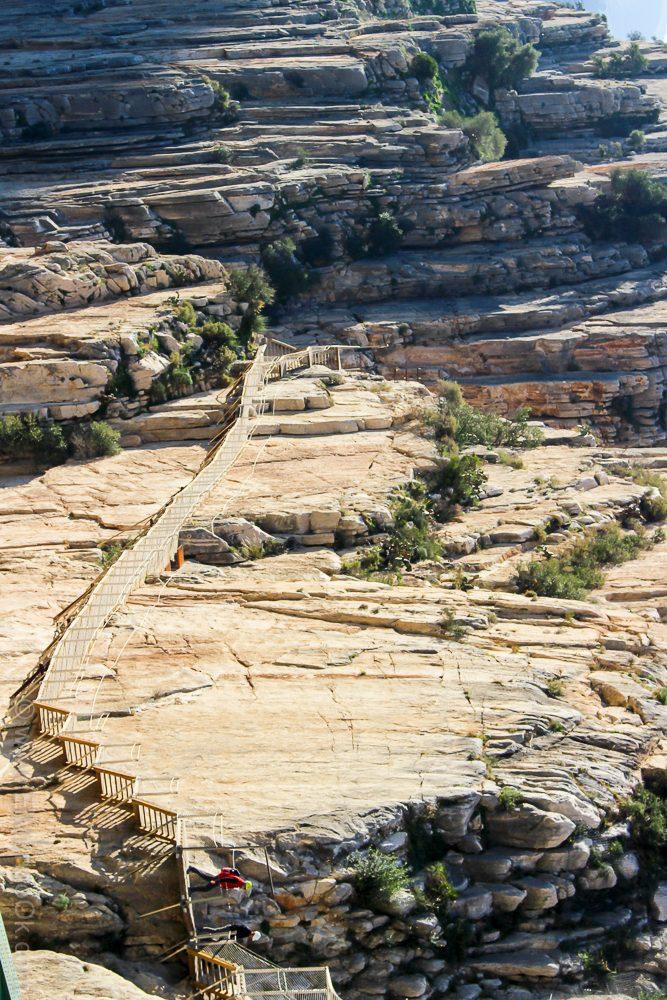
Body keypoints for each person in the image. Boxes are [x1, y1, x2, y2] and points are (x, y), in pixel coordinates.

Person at [187, 865, 252, 894]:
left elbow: (228, 883)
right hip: (219, 880)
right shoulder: (238, 881)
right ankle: (191, 889)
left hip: (219, 880)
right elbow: (225, 879)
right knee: (206, 888)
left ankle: (192, 869)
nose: (243, 889)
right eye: (244, 888)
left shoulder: (238, 884)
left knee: (205, 878)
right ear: (245, 885)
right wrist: (216, 881)